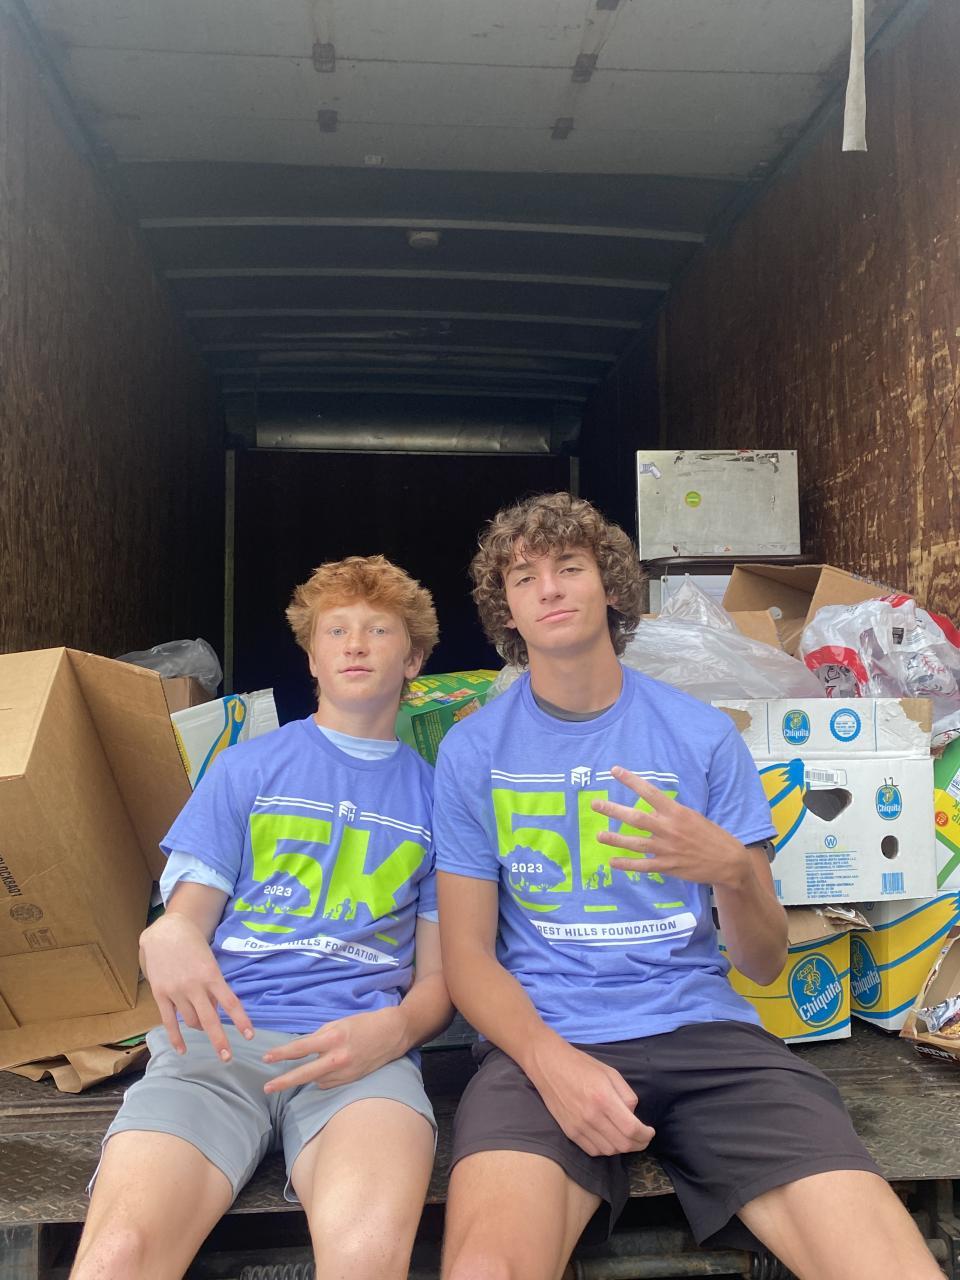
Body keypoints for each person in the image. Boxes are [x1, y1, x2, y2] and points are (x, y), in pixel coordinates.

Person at [433, 492, 941, 1280]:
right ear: (506, 607)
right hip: (546, 1040)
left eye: (569, 567)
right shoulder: (472, 751)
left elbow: (764, 963)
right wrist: (548, 1062)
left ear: (609, 585)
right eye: (524, 577)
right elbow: (466, 958)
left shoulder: (702, 735)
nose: (549, 588)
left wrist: (732, 870)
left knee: (887, 1266)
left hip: (708, 1037)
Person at [72, 555, 451, 1280]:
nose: (356, 643)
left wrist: (398, 1030)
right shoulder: (245, 769)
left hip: (357, 1058)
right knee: (117, 1258)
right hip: (218, 1047)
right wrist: (167, 934)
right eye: (335, 629)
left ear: (414, 659)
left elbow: (440, 982)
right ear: (311, 655)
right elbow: (186, 919)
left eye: (379, 629)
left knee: (367, 1260)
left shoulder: (438, 800)